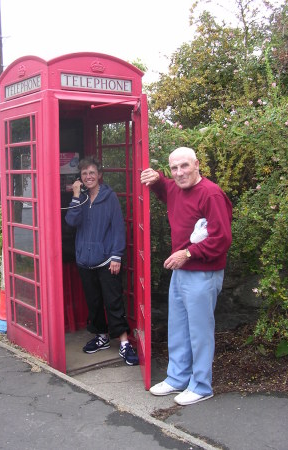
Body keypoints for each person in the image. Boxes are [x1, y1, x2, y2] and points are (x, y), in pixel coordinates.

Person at [141, 147, 232, 405]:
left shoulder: (211, 194)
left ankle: (201, 385)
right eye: (174, 168)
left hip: (203, 272)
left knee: (200, 330)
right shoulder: (175, 188)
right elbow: (163, 186)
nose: (179, 173)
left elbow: (222, 239)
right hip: (181, 271)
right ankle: (177, 377)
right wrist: (155, 176)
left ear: (197, 164)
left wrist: (188, 254)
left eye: (184, 166)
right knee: (178, 327)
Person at [65, 156, 138, 366]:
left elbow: (117, 228)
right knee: (94, 303)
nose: (88, 177)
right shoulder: (82, 198)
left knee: (113, 301)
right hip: (84, 260)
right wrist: (76, 196)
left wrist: (117, 255)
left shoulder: (110, 197)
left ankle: (124, 343)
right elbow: (71, 221)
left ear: (99, 175)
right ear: (80, 177)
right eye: (84, 174)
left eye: (92, 173)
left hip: (106, 259)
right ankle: (102, 337)